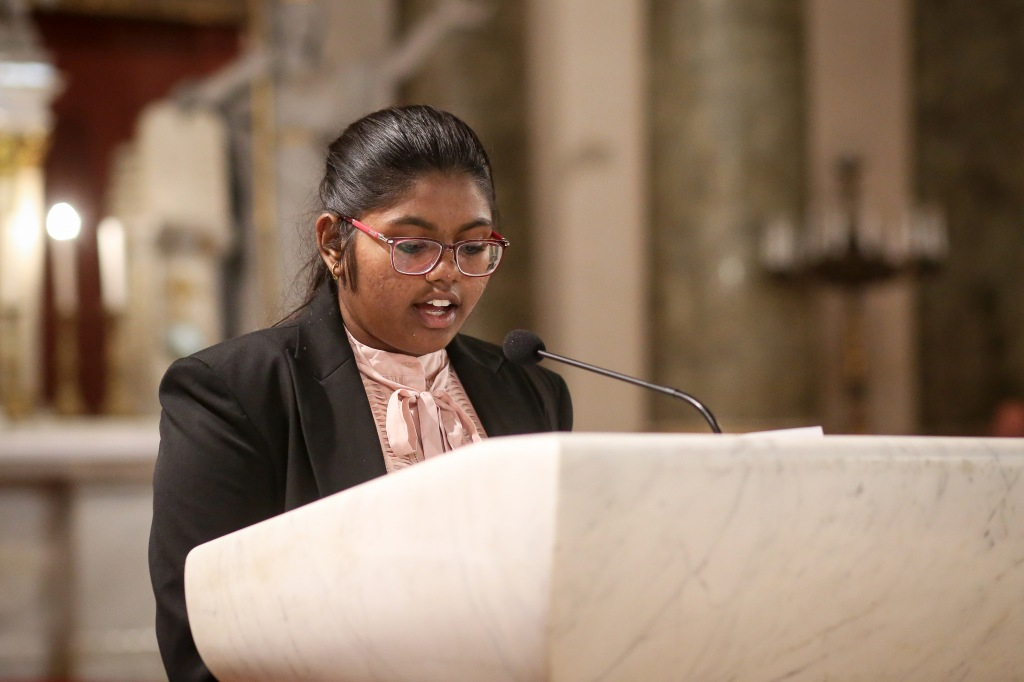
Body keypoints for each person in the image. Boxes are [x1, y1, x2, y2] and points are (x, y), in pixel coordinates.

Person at [148, 105, 573, 681]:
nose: (446, 273)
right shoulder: (234, 393)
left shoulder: (532, 391)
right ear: (333, 242)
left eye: (473, 247)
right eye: (413, 245)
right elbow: (203, 642)